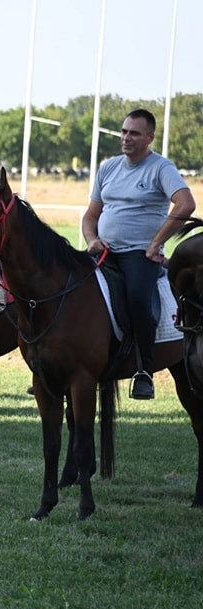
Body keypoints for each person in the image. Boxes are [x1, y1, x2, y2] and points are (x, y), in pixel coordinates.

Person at [81, 108, 196, 400]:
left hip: (139, 256)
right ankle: (60, 363)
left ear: (149, 137)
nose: (126, 138)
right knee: (68, 288)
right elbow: (90, 215)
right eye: (123, 131)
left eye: (134, 133)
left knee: (137, 299)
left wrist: (156, 242)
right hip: (103, 252)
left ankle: (143, 371)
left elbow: (185, 205)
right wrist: (91, 239)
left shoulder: (161, 168)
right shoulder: (108, 168)